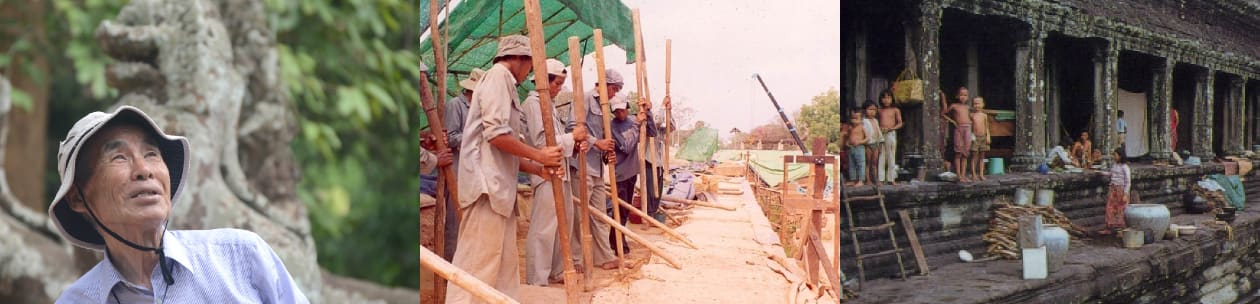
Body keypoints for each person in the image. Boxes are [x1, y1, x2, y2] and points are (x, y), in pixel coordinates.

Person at [50, 106, 308, 303]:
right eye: (118, 157)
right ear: (77, 198)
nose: (143, 170)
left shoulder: (240, 257)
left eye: (151, 154)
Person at [447, 35, 565, 303]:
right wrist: (540, 155)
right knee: (475, 268)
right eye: (530, 65)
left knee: (502, 271)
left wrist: (537, 168)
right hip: (486, 188)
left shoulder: (507, 84)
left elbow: (504, 147)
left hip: (500, 191)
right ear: (520, 59)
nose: (529, 72)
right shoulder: (498, 77)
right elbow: (497, 136)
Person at [522, 59, 589, 286]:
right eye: (557, 84)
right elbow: (542, 143)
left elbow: (559, 142)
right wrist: (573, 137)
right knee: (544, 228)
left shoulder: (548, 104)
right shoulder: (533, 104)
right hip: (544, 173)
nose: (559, 89)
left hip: (561, 171)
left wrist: (576, 144)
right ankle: (537, 280)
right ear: (544, 81)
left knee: (565, 222)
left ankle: (558, 271)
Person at [570, 69, 625, 270]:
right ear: (603, 84)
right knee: (578, 216)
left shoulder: (605, 106)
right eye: (613, 89)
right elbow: (572, 129)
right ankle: (576, 260)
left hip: (597, 169)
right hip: (582, 165)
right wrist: (596, 143)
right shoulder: (583, 99)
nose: (614, 94)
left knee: (600, 214)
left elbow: (603, 138)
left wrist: (605, 151)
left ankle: (604, 257)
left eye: (617, 90)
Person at [441, 67, 485, 260]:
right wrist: (478, 138)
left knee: (472, 220)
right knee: (454, 219)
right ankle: (451, 263)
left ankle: (467, 263)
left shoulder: (480, 108)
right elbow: (449, 138)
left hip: (476, 170)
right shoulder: (455, 105)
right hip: (457, 171)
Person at [609, 94, 656, 254]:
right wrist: (637, 124)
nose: (620, 114)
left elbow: (652, 133)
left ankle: (615, 240)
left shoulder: (632, 120)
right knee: (620, 210)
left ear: (627, 108)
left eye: (622, 110)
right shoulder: (612, 127)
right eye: (617, 112)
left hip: (631, 172)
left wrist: (648, 113)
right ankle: (618, 242)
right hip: (620, 173)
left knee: (625, 210)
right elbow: (627, 146)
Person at [942, 87, 974, 182]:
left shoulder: (968, 108)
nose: (963, 97)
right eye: (961, 95)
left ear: (968, 97)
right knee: (958, 152)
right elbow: (943, 114)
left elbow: (972, 117)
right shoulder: (954, 106)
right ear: (957, 96)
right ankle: (959, 175)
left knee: (965, 153)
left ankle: (964, 175)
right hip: (958, 128)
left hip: (968, 128)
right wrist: (953, 122)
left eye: (965, 95)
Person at [1100, 149, 1131, 234]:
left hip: (1121, 189)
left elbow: (1128, 181)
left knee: (1121, 209)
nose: (1114, 157)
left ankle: (1122, 229)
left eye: (1115, 155)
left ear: (1120, 156)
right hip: (1113, 188)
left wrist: (1125, 194)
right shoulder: (1114, 165)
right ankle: (1109, 227)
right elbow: (1111, 174)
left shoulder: (1125, 167)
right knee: (1110, 208)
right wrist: (1101, 173)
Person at [877, 89, 903, 185]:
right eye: (884, 98)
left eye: (888, 97)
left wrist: (892, 128)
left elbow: (900, 123)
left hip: (891, 133)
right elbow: (876, 122)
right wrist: (880, 128)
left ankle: (891, 179)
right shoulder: (879, 111)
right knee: (881, 155)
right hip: (881, 133)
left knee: (891, 155)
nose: (886, 100)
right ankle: (881, 179)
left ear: (892, 99)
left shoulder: (895, 110)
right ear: (881, 99)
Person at [862, 100, 884, 185]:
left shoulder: (876, 121)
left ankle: (875, 179)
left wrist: (881, 143)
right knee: (868, 163)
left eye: (874, 110)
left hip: (876, 143)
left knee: (874, 163)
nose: (872, 112)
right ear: (865, 110)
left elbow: (878, 132)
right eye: (870, 109)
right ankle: (868, 180)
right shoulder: (864, 121)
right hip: (868, 144)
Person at [970, 97, 991, 181]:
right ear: (972, 105)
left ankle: (981, 174)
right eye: (975, 104)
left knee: (982, 157)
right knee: (974, 156)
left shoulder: (984, 115)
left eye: (979, 103)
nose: (977, 105)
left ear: (983, 104)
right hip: (975, 137)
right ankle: (973, 174)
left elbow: (987, 127)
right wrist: (972, 137)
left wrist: (988, 136)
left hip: (983, 137)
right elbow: (970, 128)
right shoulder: (971, 115)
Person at [846, 109, 868, 187]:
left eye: (856, 118)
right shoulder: (850, 128)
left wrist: (860, 142)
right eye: (852, 118)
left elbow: (867, 138)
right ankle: (853, 179)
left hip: (859, 147)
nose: (853, 121)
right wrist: (848, 142)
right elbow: (849, 136)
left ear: (862, 119)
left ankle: (861, 180)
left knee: (860, 164)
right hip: (851, 148)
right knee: (852, 164)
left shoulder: (862, 127)